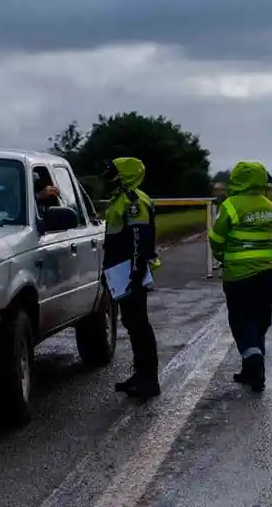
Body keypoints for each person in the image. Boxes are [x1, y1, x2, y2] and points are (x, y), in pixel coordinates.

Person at [208, 161, 272, 392]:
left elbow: (216, 239)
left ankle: (253, 362)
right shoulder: (270, 206)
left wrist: (222, 257)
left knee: (241, 320)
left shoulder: (230, 206)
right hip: (265, 273)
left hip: (238, 275)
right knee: (259, 322)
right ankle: (254, 373)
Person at [101, 157, 161, 399]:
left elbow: (139, 239)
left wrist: (136, 273)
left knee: (139, 326)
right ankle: (140, 375)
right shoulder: (121, 199)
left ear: (124, 175)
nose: (108, 177)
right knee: (132, 324)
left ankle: (149, 380)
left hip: (129, 272)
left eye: (113, 172)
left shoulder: (134, 201)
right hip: (119, 271)